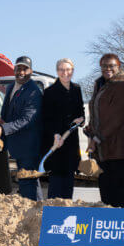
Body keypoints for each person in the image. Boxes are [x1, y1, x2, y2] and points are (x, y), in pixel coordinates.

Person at [84, 53, 124, 208]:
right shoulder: (101, 85)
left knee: (121, 187)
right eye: (104, 65)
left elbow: (117, 119)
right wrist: (91, 131)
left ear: (119, 67)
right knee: (106, 186)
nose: (108, 69)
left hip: (122, 146)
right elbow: (96, 114)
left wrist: (96, 138)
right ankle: (108, 222)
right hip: (105, 147)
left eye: (112, 65)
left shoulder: (123, 86)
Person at [0, 56, 43, 201]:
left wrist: (4, 128)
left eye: (24, 69)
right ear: (14, 69)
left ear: (31, 71)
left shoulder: (33, 92)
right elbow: (9, 111)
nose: (21, 72)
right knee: (27, 181)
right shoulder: (11, 87)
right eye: (18, 68)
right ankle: (35, 212)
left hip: (28, 145)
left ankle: (35, 212)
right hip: (17, 144)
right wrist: (2, 121)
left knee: (28, 181)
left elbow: (27, 120)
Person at [41, 58, 84, 199]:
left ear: (72, 71)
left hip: (71, 143)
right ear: (57, 71)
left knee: (68, 182)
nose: (65, 72)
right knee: (56, 182)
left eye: (68, 69)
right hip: (56, 142)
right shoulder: (49, 92)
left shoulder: (77, 89)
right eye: (61, 69)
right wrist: (55, 135)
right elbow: (46, 118)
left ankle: (67, 210)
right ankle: (53, 213)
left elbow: (80, 111)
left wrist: (81, 119)